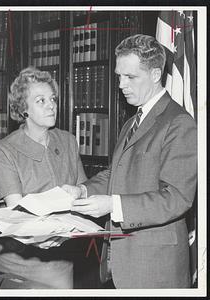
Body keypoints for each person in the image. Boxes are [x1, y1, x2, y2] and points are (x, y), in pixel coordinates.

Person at [62, 34, 197, 288]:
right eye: (119, 76)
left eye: (131, 77)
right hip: (122, 263)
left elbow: (177, 198)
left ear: (156, 75)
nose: (122, 84)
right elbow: (117, 173)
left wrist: (113, 205)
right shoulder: (132, 121)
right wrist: (83, 189)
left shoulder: (179, 123)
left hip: (156, 268)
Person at [0, 67, 87, 289]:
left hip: (61, 252)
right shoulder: (6, 150)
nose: (51, 105)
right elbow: (17, 214)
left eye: (52, 98)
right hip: (18, 259)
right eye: (40, 100)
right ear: (24, 109)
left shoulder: (68, 141)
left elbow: (83, 192)